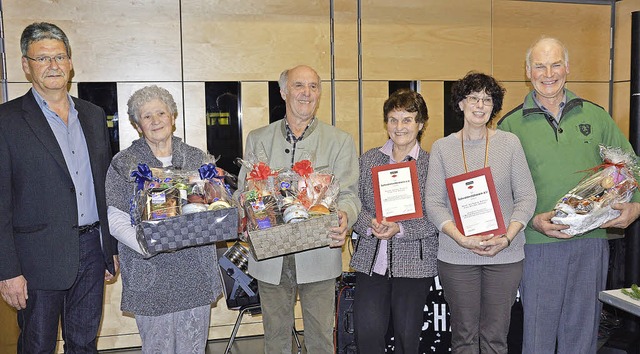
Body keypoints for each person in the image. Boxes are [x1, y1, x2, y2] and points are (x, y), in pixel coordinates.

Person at [498, 37, 640, 354]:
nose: (548, 73)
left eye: (555, 64)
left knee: (583, 333)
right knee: (538, 334)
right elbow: (500, 193)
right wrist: (531, 221)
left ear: (567, 67)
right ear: (527, 71)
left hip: (591, 243)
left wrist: (636, 206)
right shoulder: (509, 126)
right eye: (539, 66)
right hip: (538, 247)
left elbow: (633, 166)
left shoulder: (597, 115)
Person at [0, 22, 118, 353]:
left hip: (92, 252)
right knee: (37, 346)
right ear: (26, 65)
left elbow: (102, 184)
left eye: (60, 56)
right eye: (42, 58)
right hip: (36, 260)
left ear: (70, 63)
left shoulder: (93, 115)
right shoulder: (6, 121)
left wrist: (109, 248)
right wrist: (7, 271)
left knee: (84, 343)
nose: (53, 65)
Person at [236, 65, 361, 354]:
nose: (307, 93)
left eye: (314, 86)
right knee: (275, 339)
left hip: (319, 255)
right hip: (270, 257)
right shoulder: (258, 138)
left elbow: (351, 194)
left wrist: (344, 215)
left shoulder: (339, 140)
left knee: (320, 339)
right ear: (283, 91)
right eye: (299, 85)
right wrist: (246, 212)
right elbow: (245, 193)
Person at [105, 85, 223, 353]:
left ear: (173, 116)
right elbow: (115, 216)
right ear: (137, 125)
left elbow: (215, 204)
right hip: (149, 270)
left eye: (161, 113)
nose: (155, 121)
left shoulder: (197, 158)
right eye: (147, 116)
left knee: (193, 347)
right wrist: (149, 243)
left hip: (194, 270)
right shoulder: (124, 163)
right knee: (157, 348)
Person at [424, 72, 537, 354]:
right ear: (461, 103)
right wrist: (461, 238)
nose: (480, 105)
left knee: (496, 337)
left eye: (487, 99)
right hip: (457, 255)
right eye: (473, 98)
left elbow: (526, 197)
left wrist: (508, 237)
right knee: (463, 336)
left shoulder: (510, 144)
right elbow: (434, 203)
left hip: (505, 255)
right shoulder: (442, 147)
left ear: (493, 105)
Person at [349, 89, 438, 354]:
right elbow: (353, 204)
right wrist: (370, 224)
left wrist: (401, 228)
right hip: (372, 262)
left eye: (407, 119)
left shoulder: (432, 165)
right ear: (386, 123)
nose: (399, 127)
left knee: (407, 338)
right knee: (367, 334)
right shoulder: (368, 160)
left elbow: (437, 216)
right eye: (393, 119)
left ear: (420, 124)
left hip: (414, 264)